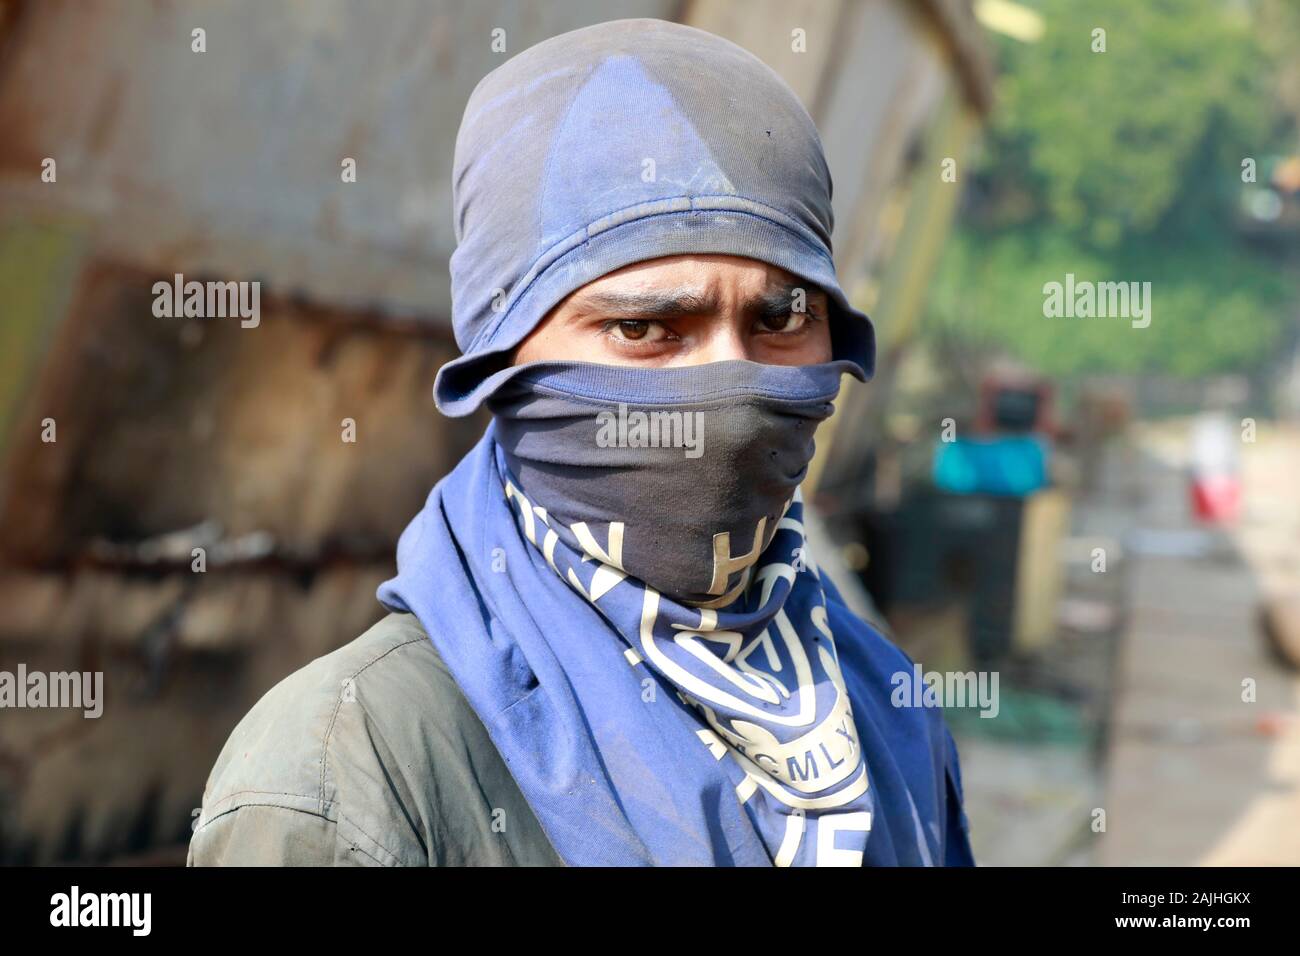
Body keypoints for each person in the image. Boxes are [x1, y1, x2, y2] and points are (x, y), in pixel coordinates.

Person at [188, 17, 975, 867]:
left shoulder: (885, 713)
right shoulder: (350, 777)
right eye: (644, 327)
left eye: (781, 317)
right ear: (502, 357)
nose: (731, 388)